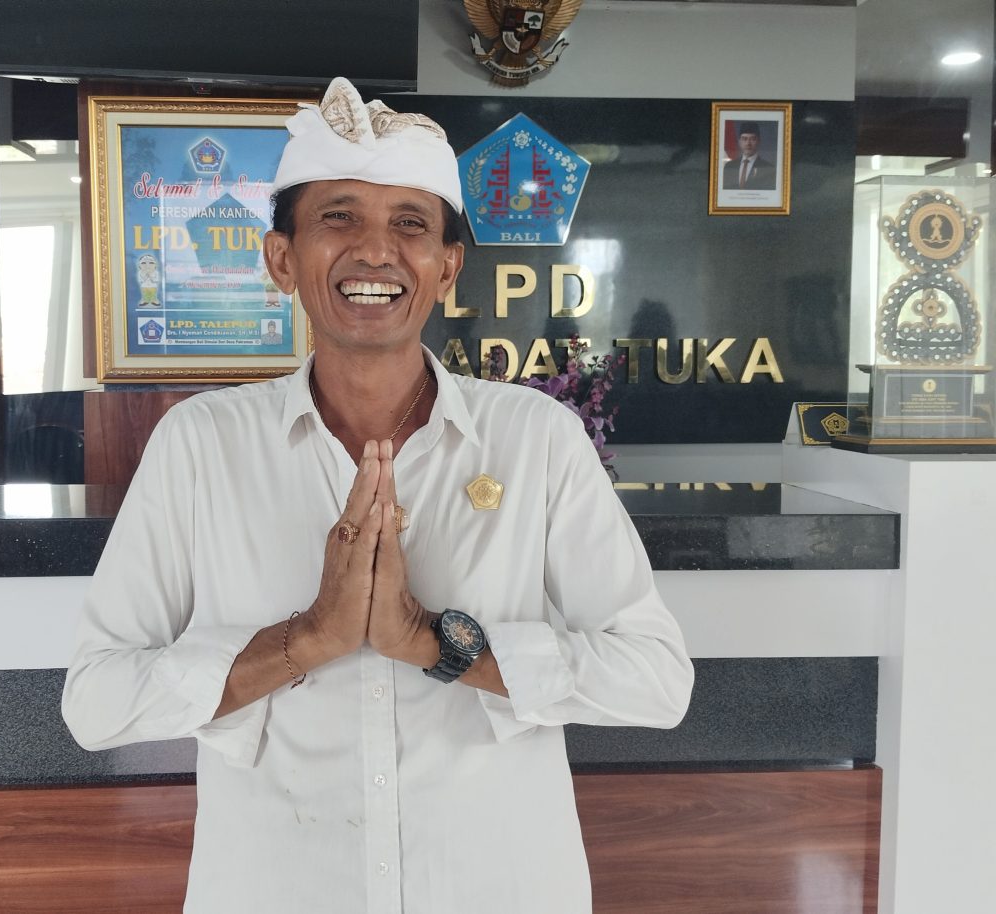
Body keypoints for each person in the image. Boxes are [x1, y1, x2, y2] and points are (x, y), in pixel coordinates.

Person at [62, 77, 693, 914]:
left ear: (447, 267)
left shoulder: (536, 439)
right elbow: (96, 701)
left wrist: (436, 644)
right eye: (339, 217)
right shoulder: (202, 445)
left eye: (410, 224)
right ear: (281, 258)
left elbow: (657, 680)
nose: (375, 251)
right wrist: (303, 641)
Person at [722, 121, 776, 190]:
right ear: (739, 142)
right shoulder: (729, 166)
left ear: (759, 141)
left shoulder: (768, 168)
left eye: (753, 139)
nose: (748, 143)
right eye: (744, 139)